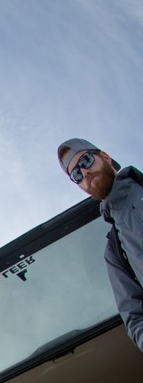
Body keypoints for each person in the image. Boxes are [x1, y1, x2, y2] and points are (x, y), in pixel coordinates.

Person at [57, 139, 143, 352]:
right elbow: (134, 317)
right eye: (76, 174)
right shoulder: (115, 251)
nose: (84, 173)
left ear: (105, 157)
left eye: (85, 161)